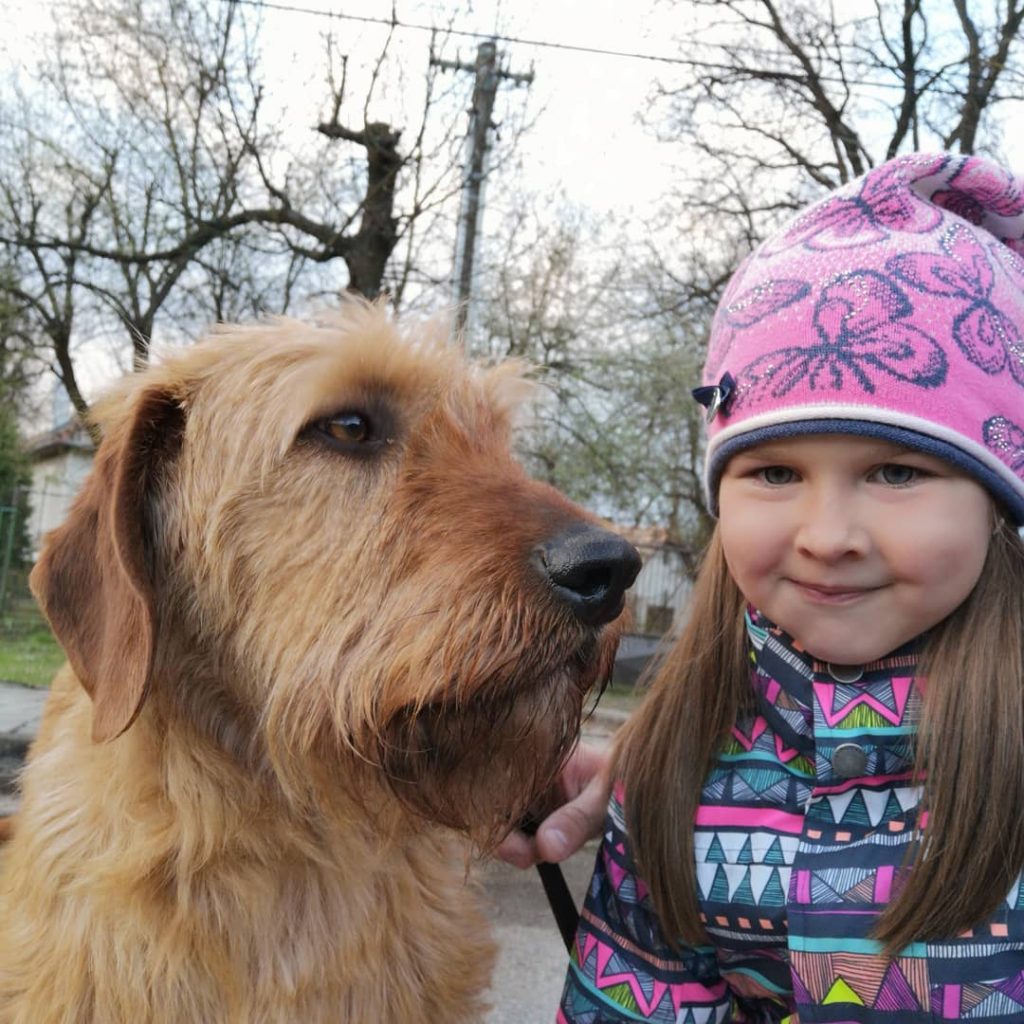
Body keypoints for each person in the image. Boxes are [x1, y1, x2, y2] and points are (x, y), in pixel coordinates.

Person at [501, 152, 1024, 1022]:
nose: (827, 537)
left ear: (998, 498)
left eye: (897, 473)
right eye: (775, 473)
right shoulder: (674, 768)